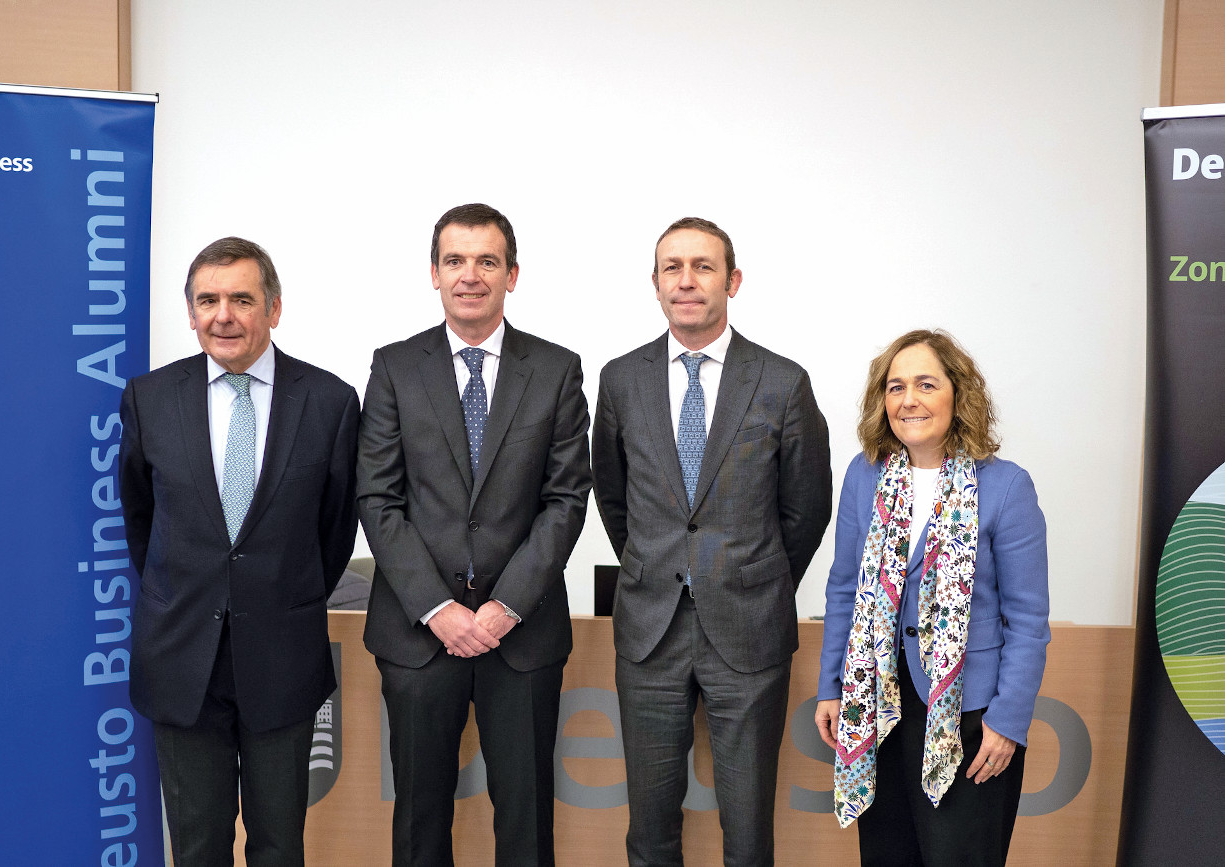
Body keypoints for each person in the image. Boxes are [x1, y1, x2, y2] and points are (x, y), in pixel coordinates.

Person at [591, 217, 832, 866]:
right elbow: (613, 496)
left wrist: (754, 577)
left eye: (703, 266)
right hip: (650, 631)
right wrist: (656, 562)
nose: (687, 280)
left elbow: (807, 507)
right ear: (655, 283)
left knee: (747, 832)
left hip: (749, 628)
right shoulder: (621, 380)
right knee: (649, 831)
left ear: (733, 280)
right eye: (672, 267)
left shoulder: (781, 381)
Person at [358, 203, 592, 867]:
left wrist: (504, 605)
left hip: (521, 635)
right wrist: (438, 608)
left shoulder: (556, 369)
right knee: (419, 822)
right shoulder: (395, 367)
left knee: (526, 823)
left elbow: (566, 499)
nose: (470, 275)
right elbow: (378, 498)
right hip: (418, 635)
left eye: (487, 261)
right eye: (455, 260)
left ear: (511, 274)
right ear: (434, 273)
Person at [119, 237, 360, 866]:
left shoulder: (331, 402)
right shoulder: (149, 398)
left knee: (279, 846)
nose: (223, 316)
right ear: (191, 312)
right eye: (207, 301)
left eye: (242, 300)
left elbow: (334, 530)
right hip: (182, 659)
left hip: (283, 657)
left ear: (274, 308)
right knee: (197, 847)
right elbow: (142, 520)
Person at [814, 329, 1049, 866]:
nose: (909, 400)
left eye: (926, 384)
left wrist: (1008, 721)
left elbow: (1028, 620)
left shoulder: (1006, 486)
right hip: (876, 707)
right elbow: (845, 587)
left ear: (958, 394)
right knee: (887, 854)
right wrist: (832, 686)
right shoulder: (864, 476)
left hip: (969, 715)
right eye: (896, 387)